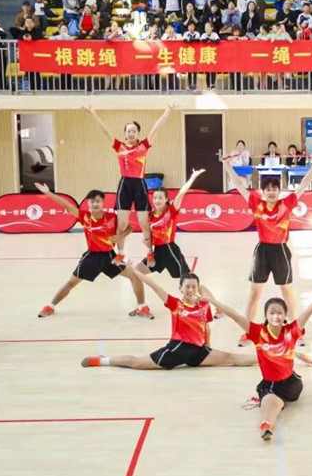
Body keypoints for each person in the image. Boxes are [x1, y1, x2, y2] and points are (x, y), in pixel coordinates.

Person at [203, 280, 312, 441]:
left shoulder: (291, 331)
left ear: (285, 315)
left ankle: (271, 409)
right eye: (272, 312)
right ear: (266, 315)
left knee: (275, 402)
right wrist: (212, 300)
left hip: (292, 384)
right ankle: (266, 425)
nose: (276, 316)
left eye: (279, 313)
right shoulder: (257, 332)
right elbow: (235, 316)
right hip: (271, 385)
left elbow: (309, 311)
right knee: (273, 405)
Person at [223, 155, 312, 343]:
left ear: (279, 191)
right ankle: (249, 331)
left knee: (287, 292)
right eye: (268, 189)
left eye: (274, 189)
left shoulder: (287, 204)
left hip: (281, 251)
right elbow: (238, 184)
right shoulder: (256, 204)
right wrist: (226, 165)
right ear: (263, 191)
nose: (271, 192)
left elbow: (304, 183)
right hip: (262, 251)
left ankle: (296, 330)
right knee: (255, 293)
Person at [81, 271, 256, 371]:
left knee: (231, 358)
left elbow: (206, 328)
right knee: (137, 363)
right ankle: (102, 360)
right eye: (187, 286)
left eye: (194, 286)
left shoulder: (204, 305)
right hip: (176, 350)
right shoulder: (175, 304)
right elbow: (154, 286)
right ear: (181, 288)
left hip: (198, 351)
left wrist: (207, 347)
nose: (190, 290)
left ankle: (264, 359)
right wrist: (135, 271)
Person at [34, 185, 149, 319]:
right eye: (92, 201)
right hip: (91, 257)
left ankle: (142, 307)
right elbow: (67, 205)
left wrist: (119, 237)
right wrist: (48, 193)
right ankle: (51, 306)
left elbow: (129, 228)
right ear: (88, 203)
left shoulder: (112, 217)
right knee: (71, 283)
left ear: (103, 202)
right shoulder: (84, 216)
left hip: (110, 257)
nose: (95, 204)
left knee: (135, 276)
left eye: (98, 201)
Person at [85, 103, 176, 267]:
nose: (131, 133)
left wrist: (167, 112)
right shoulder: (119, 147)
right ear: (125, 134)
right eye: (128, 131)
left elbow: (155, 129)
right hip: (125, 185)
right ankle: (121, 253)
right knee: (121, 224)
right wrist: (93, 113)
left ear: (137, 133)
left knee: (144, 223)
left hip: (139, 184)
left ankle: (149, 253)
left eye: (134, 131)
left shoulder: (143, 146)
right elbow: (105, 132)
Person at [139, 168, 204, 281]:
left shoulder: (171, 211)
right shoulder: (150, 216)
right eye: (155, 198)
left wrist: (193, 177)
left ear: (166, 199)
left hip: (170, 251)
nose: (157, 200)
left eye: (160, 198)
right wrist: (146, 243)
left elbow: (182, 193)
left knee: (188, 281)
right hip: (157, 253)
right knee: (136, 272)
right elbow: (149, 236)